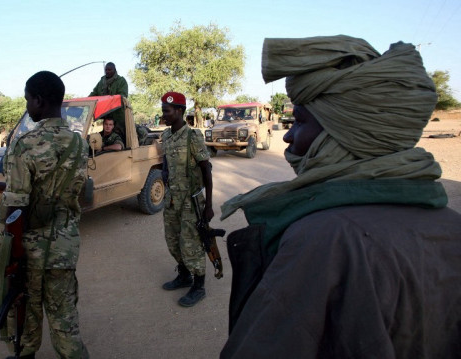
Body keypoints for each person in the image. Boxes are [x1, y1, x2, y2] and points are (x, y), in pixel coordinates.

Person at [219, 35, 461, 358]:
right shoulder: (452, 226)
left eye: (300, 122)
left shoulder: (322, 240)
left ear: (346, 130)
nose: (288, 135)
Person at [0, 71, 89, 359]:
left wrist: (13, 254)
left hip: (30, 248)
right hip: (64, 244)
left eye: (27, 100)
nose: (27, 107)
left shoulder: (25, 143)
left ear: (38, 100)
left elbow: (16, 208)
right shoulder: (78, 143)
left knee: (26, 311)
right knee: (64, 317)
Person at [160, 91, 214, 307]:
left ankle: (199, 286)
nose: (164, 114)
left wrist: (208, 205)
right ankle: (184, 275)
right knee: (173, 240)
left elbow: (206, 169)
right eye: (163, 110)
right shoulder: (166, 135)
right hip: (172, 199)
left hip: (191, 201)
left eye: (167, 111)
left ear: (180, 111)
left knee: (191, 243)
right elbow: (165, 161)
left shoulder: (193, 136)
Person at [89, 62, 128, 132]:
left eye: (110, 70)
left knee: (119, 134)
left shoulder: (121, 81)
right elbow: (94, 93)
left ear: (114, 70)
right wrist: (87, 100)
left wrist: (111, 99)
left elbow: (123, 96)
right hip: (106, 114)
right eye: (106, 70)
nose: (107, 71)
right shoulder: (102, 81)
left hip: (118, 115)